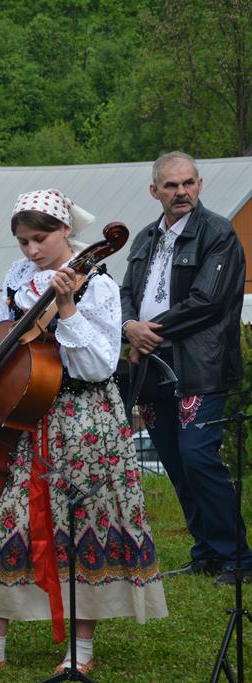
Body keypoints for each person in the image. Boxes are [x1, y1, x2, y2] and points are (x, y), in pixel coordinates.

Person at [0, 189, 166, 677]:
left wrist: (67, 308)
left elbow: (100, 363)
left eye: (40, 239)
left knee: (84, 528)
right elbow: (4, 331)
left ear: (66, 231)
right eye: (23, 241)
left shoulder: (97, 284)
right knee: (7, 521)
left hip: (85, 421)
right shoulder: (19, 276)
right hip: (26, 416)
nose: (32, 250)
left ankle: (80, 650)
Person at [120, 151, 251, 586]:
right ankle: (207, 551)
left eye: (188, 183)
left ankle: (238, 557)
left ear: (199, 184)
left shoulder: (218, 233)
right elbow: (125, 293)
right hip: (152, 367)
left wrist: (147, 332)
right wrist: (129, 327)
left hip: (200, 365)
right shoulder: (144, 239)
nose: (181, 192)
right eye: (171, 185)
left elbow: (208, 301)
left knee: (198, 456)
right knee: (176, 461)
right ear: (154, 190)